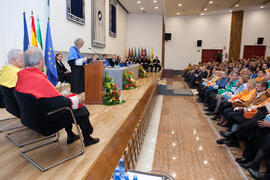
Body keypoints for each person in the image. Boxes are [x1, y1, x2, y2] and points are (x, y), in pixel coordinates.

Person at [16, 48, 99, 147]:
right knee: (81, 110)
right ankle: (87, 138)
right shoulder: (39, 79)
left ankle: (70, 135)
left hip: (31, 120)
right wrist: (76, 99)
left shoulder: (22, 76)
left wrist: (66, 98)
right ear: (40, 61)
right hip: (46, 122)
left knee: (67, 105)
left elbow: (48, 99)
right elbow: (60, 102)